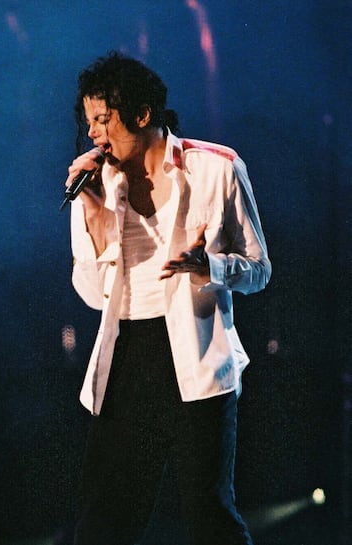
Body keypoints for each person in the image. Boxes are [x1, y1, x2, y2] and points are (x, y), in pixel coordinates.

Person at [64, 51, 271, 545]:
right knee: (105, 522)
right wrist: (93, 216)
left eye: (103, 119)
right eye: (88, 121)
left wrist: (210, 266)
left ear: (141, 114)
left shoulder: (217, 168)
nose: (93, 134)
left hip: (198, 356)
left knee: (209, 518)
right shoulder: (95, 185)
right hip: (127, 356)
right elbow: (93, 295)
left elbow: (260, 270)